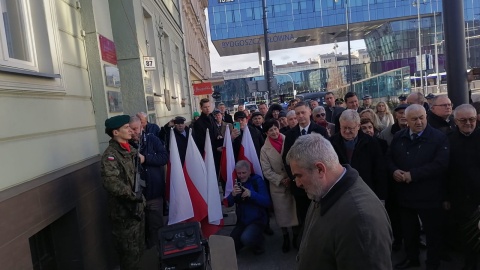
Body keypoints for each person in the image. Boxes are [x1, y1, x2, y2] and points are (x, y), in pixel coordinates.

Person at [286, 134, 393, 270]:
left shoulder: (361, 220)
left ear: (320, 169)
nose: (298, 183)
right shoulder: (322, 190)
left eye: (299, 175)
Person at [388, 104, 449, 270]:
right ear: (406, 120)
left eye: (422, 117)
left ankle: (433, 263)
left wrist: (413, 175)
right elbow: (389, 159)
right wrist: (394, 171)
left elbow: (440, 164)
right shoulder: (399, 137)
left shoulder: (438, 137)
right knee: (409, 231)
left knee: (432, 233)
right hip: (405, 195)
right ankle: (411, 258)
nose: (419, 122)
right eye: (414, 119)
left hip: (429, 195)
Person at [101, 115, 145, 270]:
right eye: (126, 128)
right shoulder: (110, 155)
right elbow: (111, 183)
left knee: (140, 251)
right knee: (129, 257)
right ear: (115, 133)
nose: (130, 130)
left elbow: (138, 162)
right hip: (125, 213)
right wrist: (134, 195)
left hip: (137, 211)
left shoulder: (129, 149)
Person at [282, 101, 329, 248]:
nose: (300, 116)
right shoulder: (290, 134)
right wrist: (296, 178)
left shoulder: (320, 131)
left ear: (310, 112)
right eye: (297, 113)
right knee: (304, 215)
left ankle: (323, 244)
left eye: (303, 112)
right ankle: (307, 244)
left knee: (322, 214)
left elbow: (327, 155)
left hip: (319, 183)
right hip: (300, 186)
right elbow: (286, 159)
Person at [446, 104, 480, 270]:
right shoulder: (448, 139)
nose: (468, 123)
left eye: (472, 119)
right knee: (467, 237)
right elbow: (445, 171)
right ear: (455, 121)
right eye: (463, 120)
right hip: (459, 198)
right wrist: (446, 197)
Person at [330, 110, 387, 201]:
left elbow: (379, 171)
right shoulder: (331, 143)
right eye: (344, 128)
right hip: (340, 194)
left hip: (366, 192)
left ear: (358, 126)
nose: (347, 131)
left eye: (350, 128)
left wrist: (381, 198)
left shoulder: (371, 143)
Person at [129, 116, 168, 250]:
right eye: (131, 129)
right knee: (140, 232)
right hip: (137, 197)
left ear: (142, 127)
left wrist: (146, 158)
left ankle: (158, 256)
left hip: (154, 194)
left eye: (136, 128)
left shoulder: (152, 139)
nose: (134, 132)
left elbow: (164, 157)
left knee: (156, 229)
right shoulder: (127, 146)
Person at [260, 120, 299, 253]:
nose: (274, 132)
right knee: (282, 215)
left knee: (294, 212)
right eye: (270, 130)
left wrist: (292, 176)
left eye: (275, 129)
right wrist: (281, 179)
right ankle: (285, 237)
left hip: (293, 180)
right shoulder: (264, 149)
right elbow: (266, 170)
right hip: (278, 186)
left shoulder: (288, 140)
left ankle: (296, 237)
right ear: (266, 133)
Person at [227, 160, 271, 255]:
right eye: (239, 173)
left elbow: (267, 202)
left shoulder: (257, 181)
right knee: (231, 244)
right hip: (243, 221)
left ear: (249, 172)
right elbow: (227, 203)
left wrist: (252, 194)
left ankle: (259, 243)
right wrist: (232, 195)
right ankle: (249, 238)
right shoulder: (236, 182)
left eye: (244, 173)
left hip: (257, 220)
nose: (241, 175)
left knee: (247, 238)